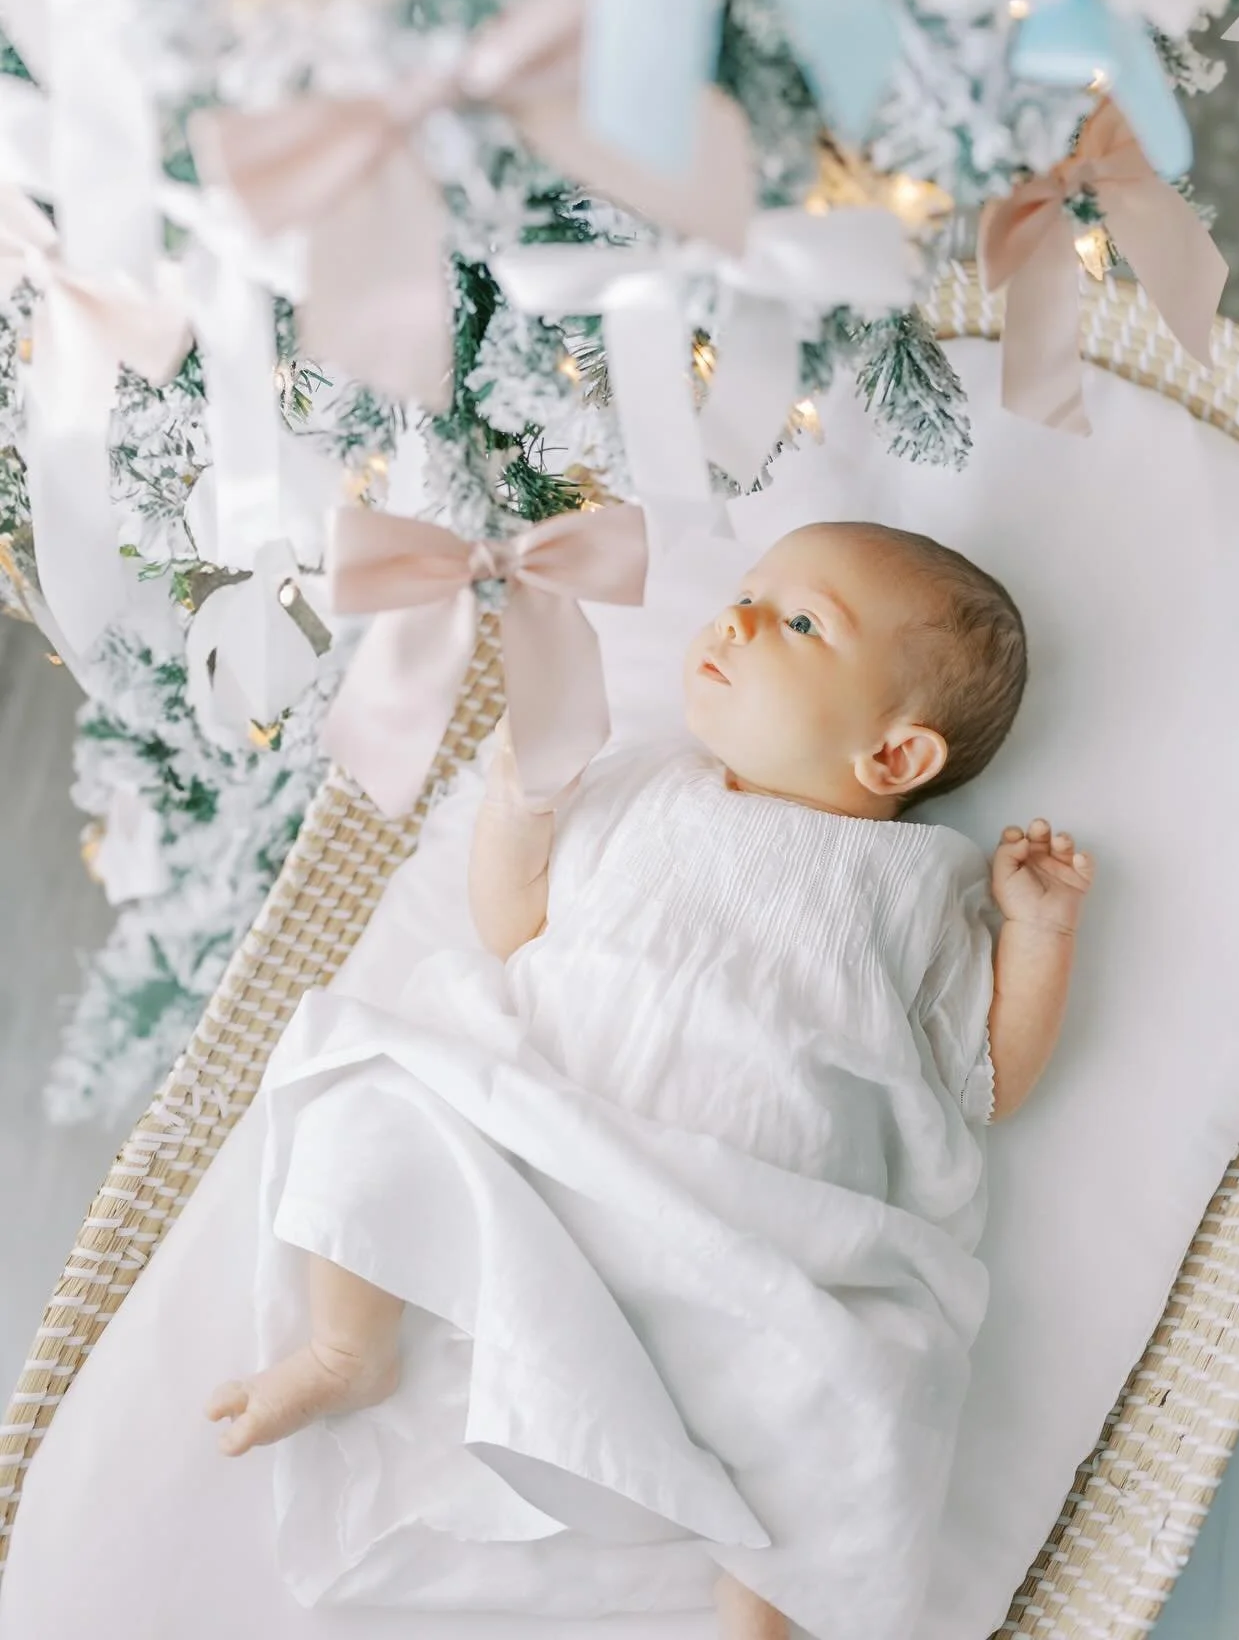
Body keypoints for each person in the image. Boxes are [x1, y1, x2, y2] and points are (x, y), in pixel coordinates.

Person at [207, 520, 1094, 1640]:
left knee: (866, 1393)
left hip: (745, 1238)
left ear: (896, 757)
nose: (734, 620)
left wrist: (1040, 938)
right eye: (746, 591)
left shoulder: (922, 886)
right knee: (370, 1092)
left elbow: (987, 1084)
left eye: (801, 622)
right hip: (538, 1146)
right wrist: (521, 807)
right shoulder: (643, 784)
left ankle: (765, 1613)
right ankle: (351, 1343)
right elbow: (512, 927)